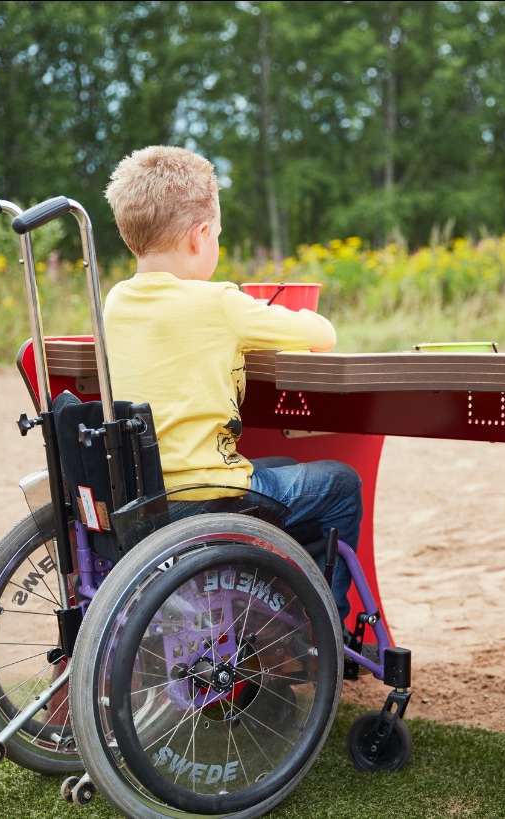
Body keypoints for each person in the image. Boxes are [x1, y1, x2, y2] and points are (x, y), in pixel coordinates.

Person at [101, 144, 362, 621]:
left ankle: (266, 612)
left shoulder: (115, 301)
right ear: (201, 236)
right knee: (341, 485)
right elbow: (322, 333)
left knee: (281, 465)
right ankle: (324, 634)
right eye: (217, 234)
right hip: (204, 496)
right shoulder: (219, 302)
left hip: (143, 496)